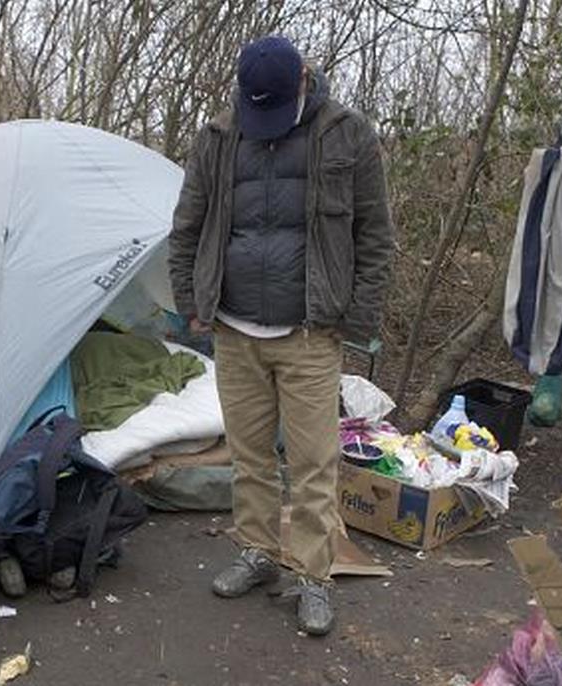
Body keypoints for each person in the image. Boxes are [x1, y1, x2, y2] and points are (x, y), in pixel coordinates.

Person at [168, 35, 394, 636]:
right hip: (234, 330)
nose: (262, 127)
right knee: (249, 458)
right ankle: (259, 553)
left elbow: (375, 237)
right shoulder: (217, 139)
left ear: (303, 84)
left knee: (314, 462)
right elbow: (186, 225)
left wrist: (359, 319)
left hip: (310, 332)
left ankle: (313, 577)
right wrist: (192, 304)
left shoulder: (348, 135)